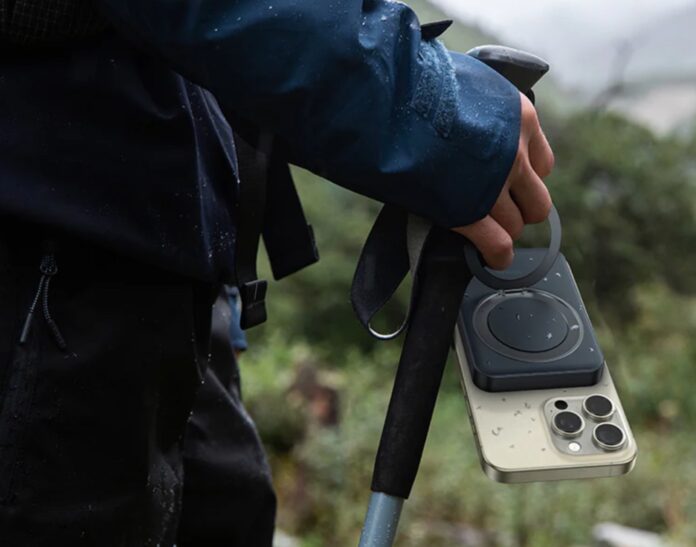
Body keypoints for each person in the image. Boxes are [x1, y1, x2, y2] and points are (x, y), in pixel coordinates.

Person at [0, 0, 553, 545]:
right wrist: (437, 107)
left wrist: (218, 308)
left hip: (145, 268)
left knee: (230, 505)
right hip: (55, 258)